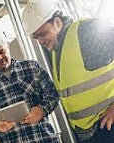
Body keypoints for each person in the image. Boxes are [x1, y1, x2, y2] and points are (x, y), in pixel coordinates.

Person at [22, 0, 114, 143]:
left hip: (108, 125)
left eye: (42, 34)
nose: (40, 42)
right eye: (36, 37)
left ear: (57, 22)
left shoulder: (86, 32)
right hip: (91, 133)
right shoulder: (57, 50)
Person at [0, 27, 60, 143]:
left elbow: (53, 94)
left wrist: (41, 110)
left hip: (45, 139)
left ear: (8, 47)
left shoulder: (32, 67)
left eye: (1, 51)